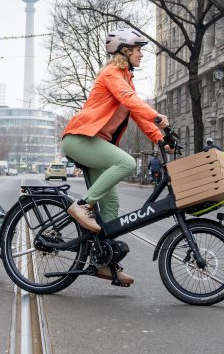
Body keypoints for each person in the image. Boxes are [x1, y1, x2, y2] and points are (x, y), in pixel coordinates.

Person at [62, 27, 169, 287]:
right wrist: (157, 116)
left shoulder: (126, 79)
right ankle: (82, 204)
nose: (141, 54)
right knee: (126, 162)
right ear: (125, 50)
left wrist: (160, 138)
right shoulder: (111, 74)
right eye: (138, 50)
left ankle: (105, 265)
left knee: (111, 208)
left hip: (96, 142)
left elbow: (137, 113)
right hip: (80, 139)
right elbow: (131, 101)